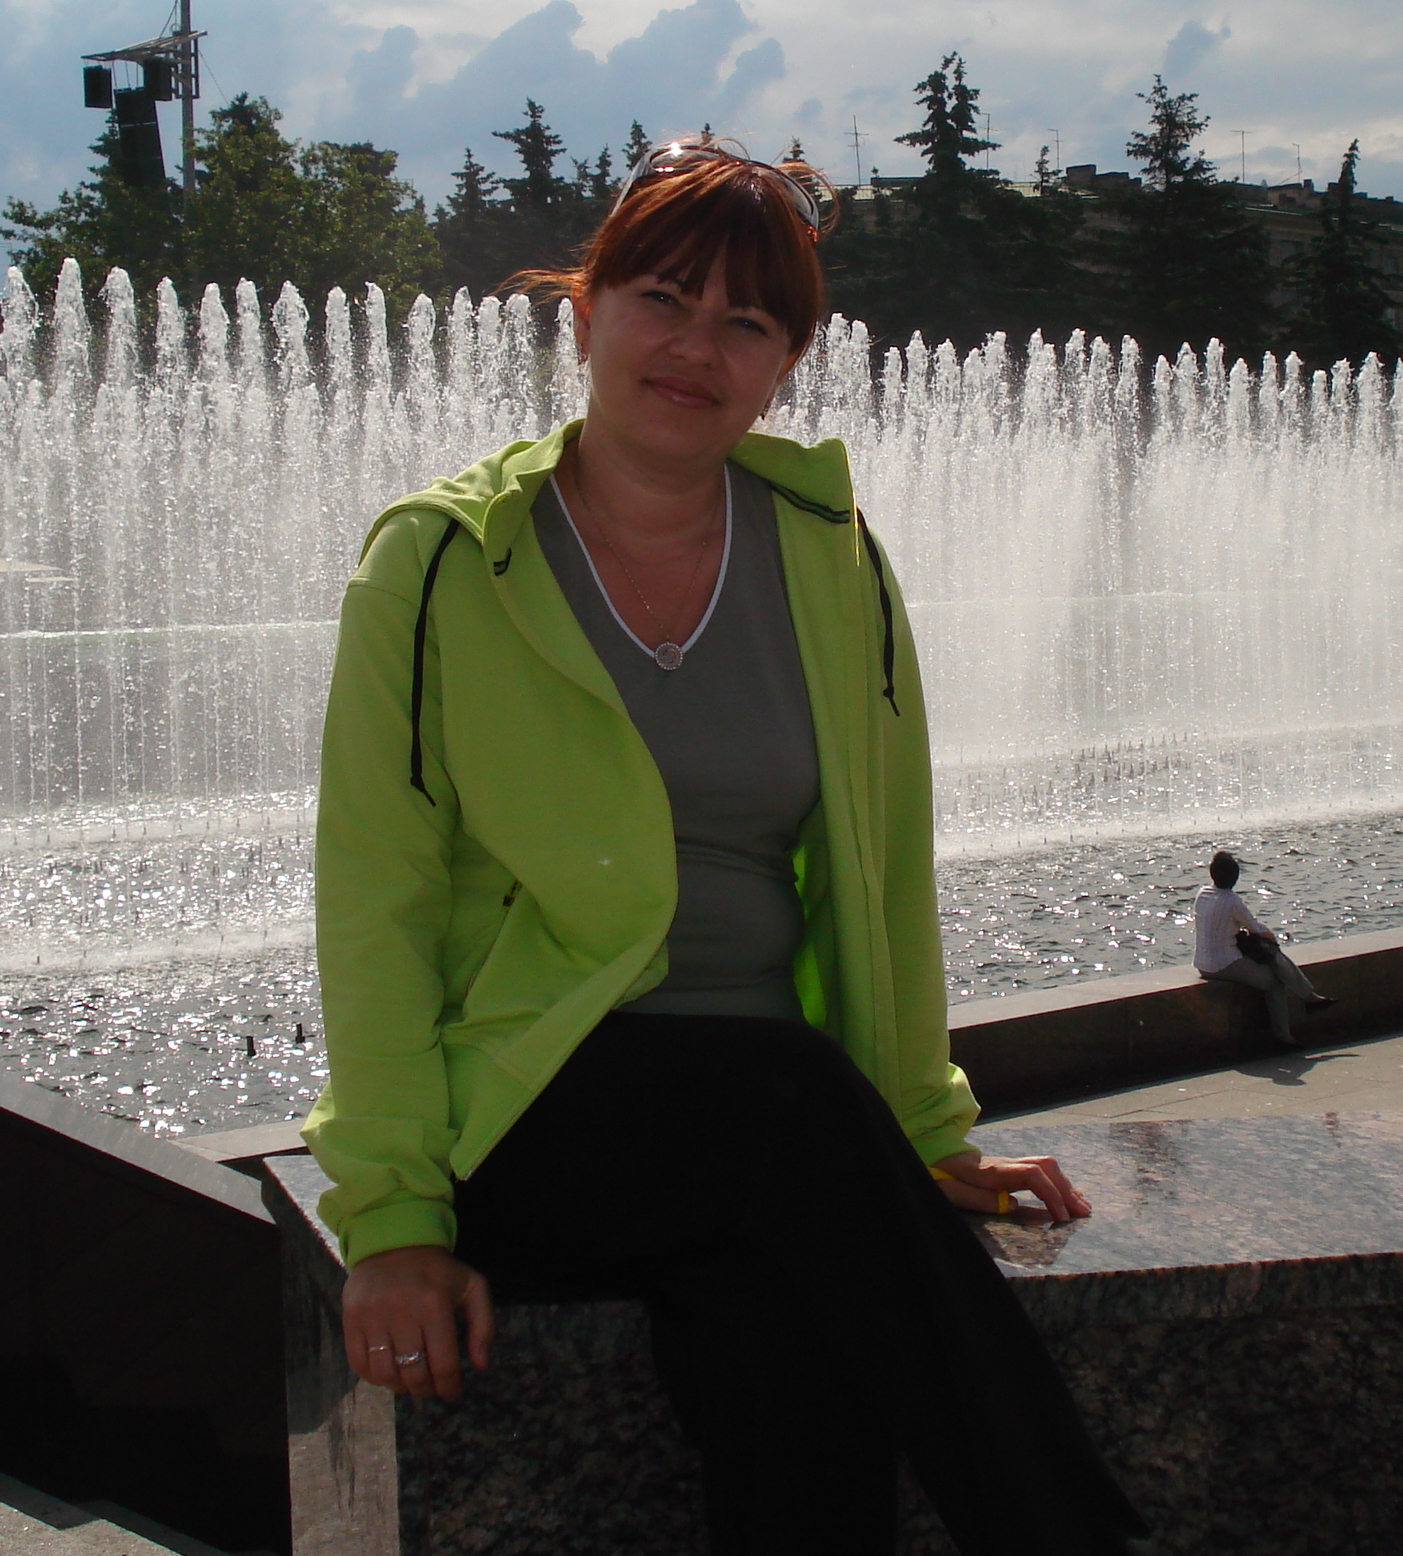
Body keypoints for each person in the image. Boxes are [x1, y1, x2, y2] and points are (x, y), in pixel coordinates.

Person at [302, 138, 1155, 1556]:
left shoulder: (829, 555)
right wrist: (391, 1219)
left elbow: (882, 867)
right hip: (527, 1118)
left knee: (789, 1354)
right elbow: (375, 892)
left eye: (746, 321)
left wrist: (922, 1137)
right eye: (662, 299)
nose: (697, 348)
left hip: (775, 1138)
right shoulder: (443, 558)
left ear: (788, 363)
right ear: (586, 313)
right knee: (787, 1104)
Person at [1194, 850, 1333, 1047]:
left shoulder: (1202, 894)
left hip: (1202, 963)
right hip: (1224, 965)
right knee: (1274, 981)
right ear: (1235, 877)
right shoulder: (1232, 901)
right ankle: (1284, 1035)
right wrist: (1271, 936)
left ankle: (1310, 998)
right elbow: (1255, 928)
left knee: (1270, 957)